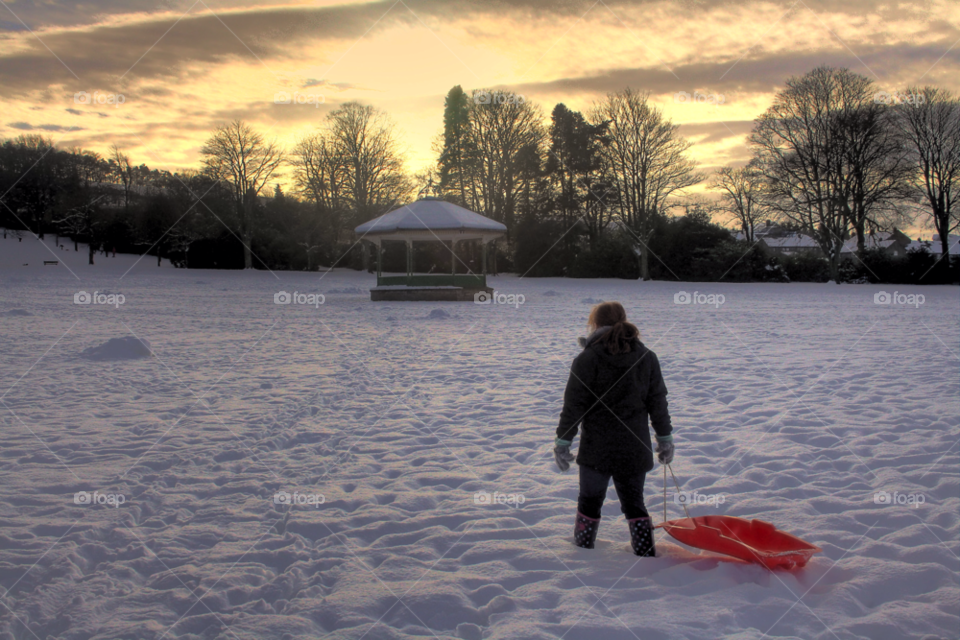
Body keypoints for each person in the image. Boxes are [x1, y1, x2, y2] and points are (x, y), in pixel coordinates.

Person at [554, 301, 674, 556]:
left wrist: (563, 442)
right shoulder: (647, 357)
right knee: (634, 503)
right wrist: (664, 438)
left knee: (589, 501)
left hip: (597, 448)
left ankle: (583, 550)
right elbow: (658, 402)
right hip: (634, 447)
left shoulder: (587, 358)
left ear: (595, 323)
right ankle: (645, 553)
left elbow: (574, 405)